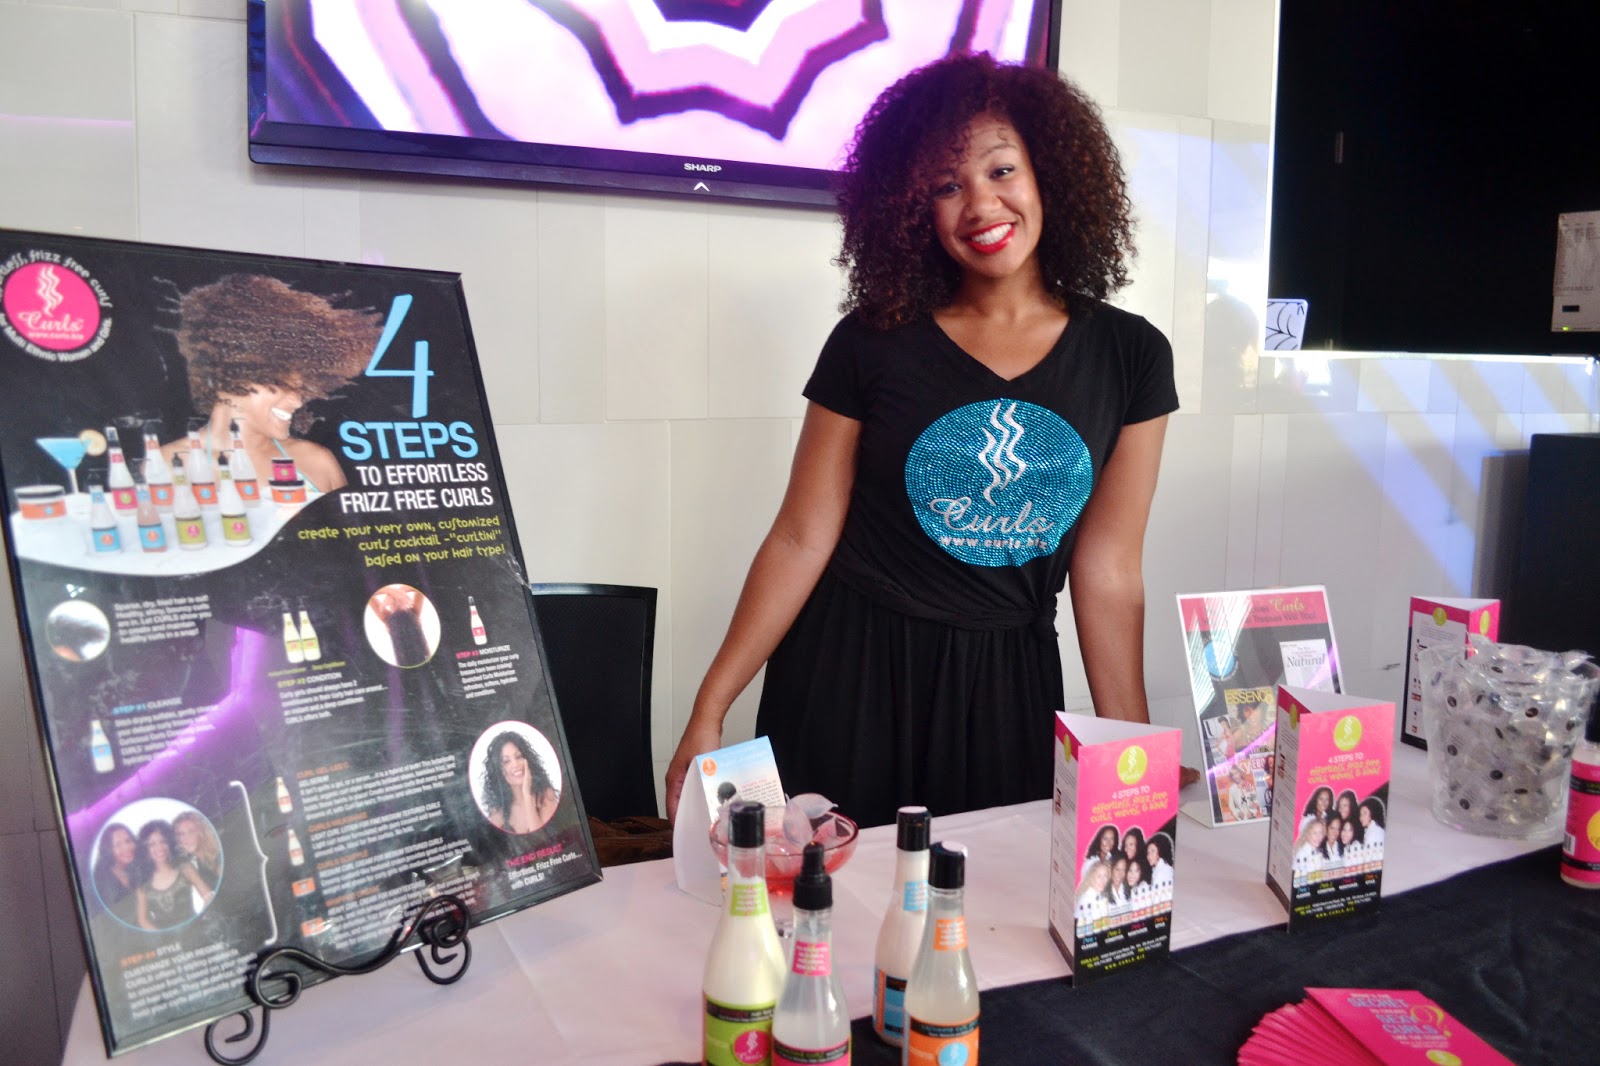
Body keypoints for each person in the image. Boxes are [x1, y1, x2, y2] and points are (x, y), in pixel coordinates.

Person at [662, 53, 1176, 827]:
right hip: (850, 673)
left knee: (997, 896)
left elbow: (1108, 571)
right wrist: (710, 709)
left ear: (1050, 172)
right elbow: (801, 537)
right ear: (911, 210)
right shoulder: (871, 342)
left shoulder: (1130, 355)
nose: (981, 204)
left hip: (1007, 689)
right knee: (830, 893)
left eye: (1001, 169)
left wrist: (1133, 758)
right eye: (944, 186)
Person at [165, 273, 383, 493]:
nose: (297, 401)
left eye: (300, 388)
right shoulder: (167, 467)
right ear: (230, 371)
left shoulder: (316, 463)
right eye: (280, 384)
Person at [136, 820, 213, 930]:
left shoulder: (185, 868)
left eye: (163, 841)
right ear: (145, 849)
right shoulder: (143, 883)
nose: (159, 847)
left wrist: (202, 920)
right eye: (152, 844)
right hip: (165, 939)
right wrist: (161, 935)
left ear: (170, 843)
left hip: (196, 931)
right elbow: (143, 920)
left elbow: (208, 895)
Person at [481, 730, 560, 835]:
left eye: (519, 757)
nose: (515, 764)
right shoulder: (498, 810)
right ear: (498, 771)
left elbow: (540, 839)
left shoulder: (545, 795)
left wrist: (527, 796)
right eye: (506, 761)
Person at [93, 823, 140, 924]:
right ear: (109, 850)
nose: (126, 847)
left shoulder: (134, 869)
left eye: (128, 841)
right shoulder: (103, 879)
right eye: (118, 845)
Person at [173, 811, 222, 891]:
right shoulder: (199, 862)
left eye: (191, 832)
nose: (186, 839)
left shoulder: (218, 855)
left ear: (201, 832)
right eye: (181, 834)